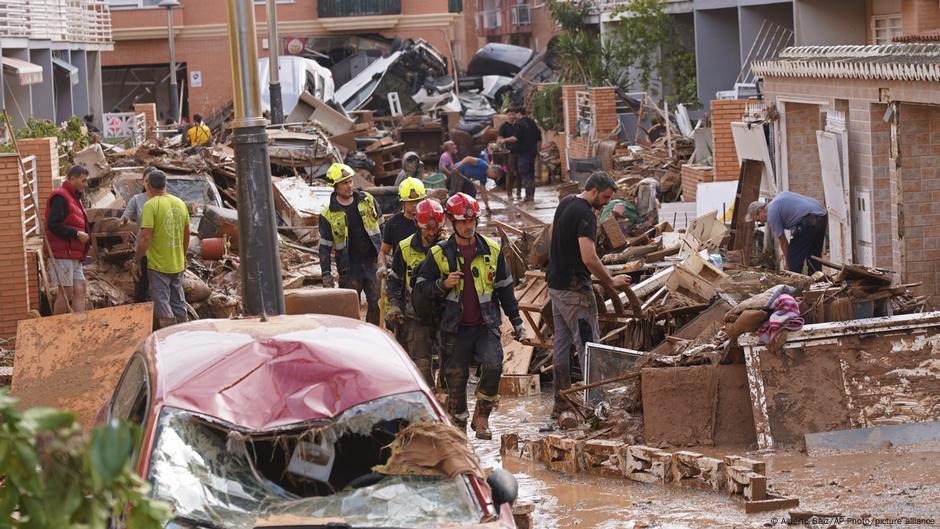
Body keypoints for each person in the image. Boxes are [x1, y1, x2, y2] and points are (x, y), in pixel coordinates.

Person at [413, 192, 527, 439]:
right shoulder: (439, 254)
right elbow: (420, 289)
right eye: (463, 222)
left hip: (485, 324)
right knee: (456, 379)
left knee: (494, 364)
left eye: (472, 221)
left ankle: (482, 416)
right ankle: (461, 431)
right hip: (454, 328)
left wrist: (517, 322)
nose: (468, 226)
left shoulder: (492, 251)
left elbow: (505, 289)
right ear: (452, 223)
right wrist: (442, 285)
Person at [547, 171, 631, 418]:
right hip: (575, 291)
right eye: (605, 197)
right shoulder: (585, 214)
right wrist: (610, 280)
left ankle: (560, 403)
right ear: (594, 190)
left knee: (561, 345)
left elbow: (556, 238)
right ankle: (594, 408)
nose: (606, 203)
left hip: (556, 287)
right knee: (588, 347)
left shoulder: (566, 202)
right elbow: (588, 257)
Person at [386, 198, 446, 385]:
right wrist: (394, 305)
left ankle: (447, 397)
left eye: (434, 229)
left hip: (445, 312)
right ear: (417, 225)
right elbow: (395, 279)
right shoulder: (404, 248)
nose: (430, 233)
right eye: (426, 229)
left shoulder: (450, 246)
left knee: (448, 360)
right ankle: (428, 397)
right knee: (421, 361)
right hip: (415, 313)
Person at [319, 162, 384, 325]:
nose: (349, 186)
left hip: (372, 262)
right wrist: (326, 275)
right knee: (348, 309)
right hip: (349, 268)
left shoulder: (367, 201)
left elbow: (383, 228)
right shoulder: (328, 215)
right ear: (335, 186)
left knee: (377, 304)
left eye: (350, 181)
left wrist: (385, 255)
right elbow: (325, 248)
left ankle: (372, 337)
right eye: (344, 183)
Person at [133, 170, 191, 329]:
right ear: (165, 184)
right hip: (177, 263)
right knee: (178, 302)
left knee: (162, 303)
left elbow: (145, 238)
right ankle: (183, 334)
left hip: (158, 265)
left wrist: (137, 260)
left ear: (149, 185)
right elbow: (187, 234)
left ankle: (169, 337)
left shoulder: (150, 205)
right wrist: (182, 255)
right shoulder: (180, 203)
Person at [45, 165, 91, 314]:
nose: (86, 184)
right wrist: (77, 234)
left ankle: (78, 327)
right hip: (62, 252)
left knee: (80, 288)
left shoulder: (73, 197)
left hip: (73, 253)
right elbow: (53, 225)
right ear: (72, 179)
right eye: (83, 181)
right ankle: (58, 328)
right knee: (66, 292)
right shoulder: (60, 197)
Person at [746, 192, 828, 274]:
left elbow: (783, 242)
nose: (761, 222)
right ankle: (817, 280)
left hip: (809, 218)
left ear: (761, 211)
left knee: (794, 254)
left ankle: (794, 281)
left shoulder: (771, 213)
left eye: (758, 219)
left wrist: (788, 264)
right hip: (822, 214)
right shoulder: (777, 200)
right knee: (814, 254)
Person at [122, 166, 158, 302]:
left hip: (160, 251)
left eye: (152, 180)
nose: (149, 184)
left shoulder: (165, 200)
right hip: (143, 250)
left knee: (159, 290)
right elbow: (126, 216)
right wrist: (125, 220)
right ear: (143, 182)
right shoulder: (137, 199)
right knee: (141, 289)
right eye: (147, 180)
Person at [378, 177, 426, 272]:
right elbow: (384, 251)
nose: (415, 205)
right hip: (401, 275)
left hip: (426, 274)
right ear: (402, 200)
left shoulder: (430, 222)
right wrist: (382, 266)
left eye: (418, 201)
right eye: (411, 201)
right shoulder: (393, 224)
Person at [515, 107, 542, 203]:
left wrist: (504, 140)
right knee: (531, 174)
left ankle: (528, 196)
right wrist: (538, 150)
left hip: (523, 153)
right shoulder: (532, 122)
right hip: (532, 152)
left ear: (519, 113)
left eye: (515, 114)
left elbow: (515, 138)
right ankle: (531, 195)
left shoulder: (519, 124)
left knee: (525, 174)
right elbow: (539, 137)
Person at [497, 108, 522, 200]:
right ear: (506, 116)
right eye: (509, 114)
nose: (511, 116)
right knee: (510, 173)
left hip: (519, 152)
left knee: (520, 173)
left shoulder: (519, 125)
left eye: (513, 114)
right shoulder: (503, 126)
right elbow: (499, 139)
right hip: (509, 153)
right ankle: (509, 194)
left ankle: (519, 193)